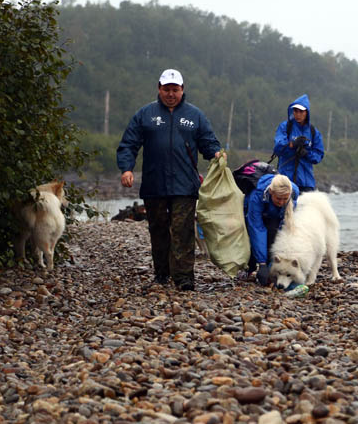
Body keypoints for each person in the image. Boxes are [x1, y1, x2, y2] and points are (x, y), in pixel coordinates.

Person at [117, 68, 223, 291]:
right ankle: (162, 274)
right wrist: (127, 168)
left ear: (183, 90)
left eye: (175, 89)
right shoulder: (145, 114)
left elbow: (208, 142)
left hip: (185, 185)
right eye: (167, 89)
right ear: (159, 88)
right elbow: (129, 143)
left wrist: (215, 153)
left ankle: (184, 278)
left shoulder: (195, 116)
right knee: (158, 229)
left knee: (182, 230)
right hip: (154, 184)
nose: (171, 94)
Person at [244, 173, 299, 286]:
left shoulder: (294, 193)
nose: (281, 202)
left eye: (285, 199)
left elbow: (284, 226)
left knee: (273, 235)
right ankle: (251, 268)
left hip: (273, 214)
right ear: (271, 192)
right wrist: (262, 263)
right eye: (278, 198)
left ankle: (270, 270)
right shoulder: (258, 196)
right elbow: (257, 229)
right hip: (252, 212)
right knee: (253, 237)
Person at [272, 94, 325, 193]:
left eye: (301, 111)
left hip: (307, 182)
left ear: (307, 112)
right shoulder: (285, 127)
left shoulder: (313, 132)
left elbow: (319, 155)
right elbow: (278, 148)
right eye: (295, 111)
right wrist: (292, 145)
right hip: (286, 181)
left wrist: (306, 153)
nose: (298, 114)